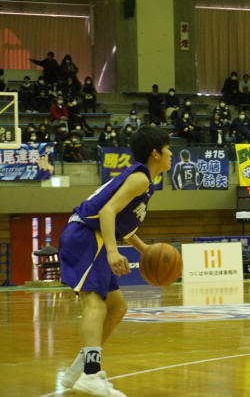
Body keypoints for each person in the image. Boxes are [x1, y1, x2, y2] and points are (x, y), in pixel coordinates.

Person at [58, 126, 171, 397]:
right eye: (168, 148)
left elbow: (124, 227)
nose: (171, 153)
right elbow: (107, 212)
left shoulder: (145, 182)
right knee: (95, 303)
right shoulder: (140, 179)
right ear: (155, 153)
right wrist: (112, 251)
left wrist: (146, 251)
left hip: (91, 235)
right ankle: (91, 373)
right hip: (85, 234)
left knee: (118, 307)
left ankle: (79, 368)